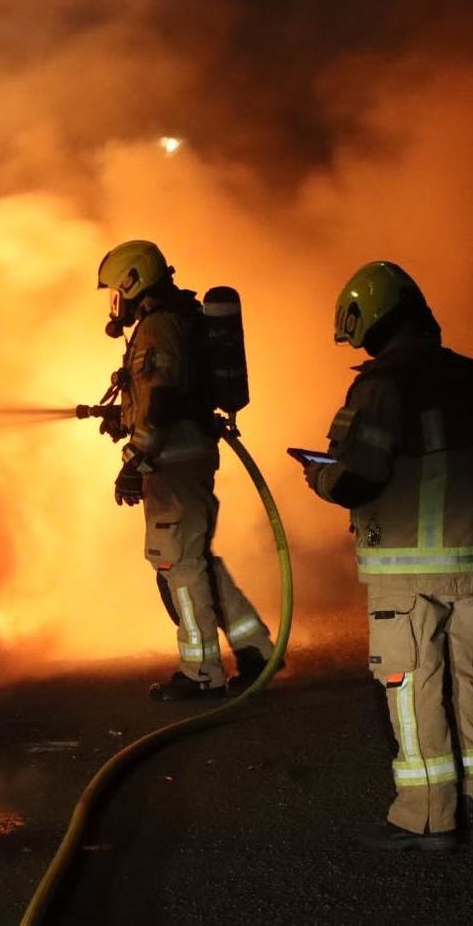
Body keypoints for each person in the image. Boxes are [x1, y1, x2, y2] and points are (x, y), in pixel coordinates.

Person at [304, 260, 473, 850]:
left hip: (403, 570)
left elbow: (356, 474)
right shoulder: (470, 377)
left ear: (371, 315)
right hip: (461, 567)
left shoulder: (382, 385)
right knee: (464, 686)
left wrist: (319, 476)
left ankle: (426, 817)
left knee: (410, 686)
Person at [95, 239, 278, 701]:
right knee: (193, 561)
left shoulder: (159, 327)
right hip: (184, 456)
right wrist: (124, 417)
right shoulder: (175, 320)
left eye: (116, 289)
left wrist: (136, 459)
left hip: (171, 463)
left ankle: (201, 672)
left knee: (177, 566)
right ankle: (255, 648)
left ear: (134, 280)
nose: (115, 301)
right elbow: (164, 395)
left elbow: (164, 398)